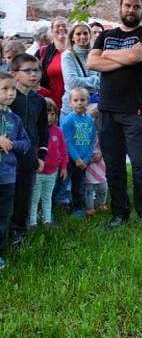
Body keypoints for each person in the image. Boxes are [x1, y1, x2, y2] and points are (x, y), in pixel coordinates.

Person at [87, 0, 142, 230]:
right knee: (114, 165)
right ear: (120, 8)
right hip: (107, 110)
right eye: (127, 6)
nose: (131, 10)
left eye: (136, 7)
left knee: (141, 166)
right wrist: (126, 56)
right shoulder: (107, 35)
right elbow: (92, 62)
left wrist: (109, 55)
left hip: (136, 111)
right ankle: (120, 213)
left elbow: (136, 57)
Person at [10, 53, 48, 246]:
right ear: (14, 74)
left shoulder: (39, 101)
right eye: (28, 71)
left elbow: (43, 130)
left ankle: (19, 232)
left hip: (28, 155)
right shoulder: (7, 99)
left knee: (24, 194)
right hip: (7, 155)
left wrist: (41, 155)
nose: (34, 74)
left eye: (37, 70)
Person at [0, 72, 31, 268]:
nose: (11, 93)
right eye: (5, 89)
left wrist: (12, 144)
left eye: (13, 88)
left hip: (6, 177)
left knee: (2, 216)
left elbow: (26, 143)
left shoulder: (15, 119)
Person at [29, 98, 68, 227]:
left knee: (47, 196)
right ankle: (32, 222)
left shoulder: (58, 131)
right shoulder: (36, 131)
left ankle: (47, 220)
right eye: (47, 114)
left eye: (53, 114)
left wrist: (63, 167)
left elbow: (63, 150)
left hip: (53, 172)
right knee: (34, 198)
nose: (50, 117)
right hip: (38, 171)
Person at [61, 88, 97, 218]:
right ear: (70, 102)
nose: (79, 103)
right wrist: (76, 158)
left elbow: (92, 141)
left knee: (79, 185)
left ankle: (78, 208)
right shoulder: (68, 120)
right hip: (69, 160)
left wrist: (86, 159)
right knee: (62, 184)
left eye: (82, 100)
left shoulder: (89, 121)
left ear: (88, 101)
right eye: (76, 100)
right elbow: (66, 141)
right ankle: (51, 207)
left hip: (83, 161)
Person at [60, 22, 100, 118]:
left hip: (92, 108)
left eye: (85, 33)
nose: (82, 37)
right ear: (72, 37)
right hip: (71, 110)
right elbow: (72, 82)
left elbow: (102, 81)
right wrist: (94, 80)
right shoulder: (68, 55)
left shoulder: (94, 54)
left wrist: (86, 82)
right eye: (78, 34)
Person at [39, 17, 69, 111]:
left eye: (64, 26)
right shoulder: (43, 52)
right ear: (52, 31)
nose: (61, 28)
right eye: (57, 26)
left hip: (75, 105)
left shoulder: (77, 51)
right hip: (51, 106)